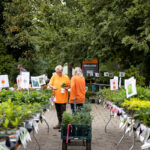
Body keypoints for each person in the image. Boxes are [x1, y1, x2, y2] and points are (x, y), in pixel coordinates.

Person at [49, 65, 70, 129]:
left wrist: (66, 87)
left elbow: (69, 86)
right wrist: (52, 87)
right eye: (57, 72)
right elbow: (50, 84)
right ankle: (59, 124)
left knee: (63, 112)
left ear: (62, 71)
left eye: (60, 72)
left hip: (63, 98)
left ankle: (63, 125)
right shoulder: (54, 76)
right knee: (58, 112)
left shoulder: (66, 77)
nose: (59, 73)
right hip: (56, 97)